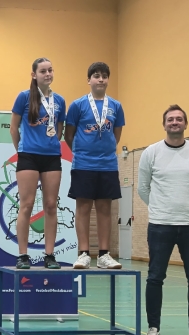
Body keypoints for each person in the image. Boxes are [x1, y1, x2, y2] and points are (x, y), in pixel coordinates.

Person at [137, 105, 189, 335]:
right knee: (155, 278)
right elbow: (143, 188)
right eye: (170, 119)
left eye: (179, 119)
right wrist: (162, 208)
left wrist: (188, 208)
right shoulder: (151, 152)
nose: (175, 122)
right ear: (164, 124)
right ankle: (153, 330)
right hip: (160, 225)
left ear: (186, 124)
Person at [64, 62, 124, 270]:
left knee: (105, 208)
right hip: (83, 163)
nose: (100, 79)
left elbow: (116, 135)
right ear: (89, 80)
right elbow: (68, 134)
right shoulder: (77, 105)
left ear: (108, 80)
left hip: (108, 164)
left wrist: (105, 151)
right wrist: (82, 152)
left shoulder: (115, 106)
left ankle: (104, 254)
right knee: (83, 207)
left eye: (104, 76)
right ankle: (83, 254)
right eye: (96, 76)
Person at [10, 57, 66, 269]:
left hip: (52, 156)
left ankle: (49, 255)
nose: (48, 74)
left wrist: (50, 143)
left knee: (51, 205)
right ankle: (23, 255)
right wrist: (22, 150)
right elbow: (14, 128)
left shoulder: (60, 100)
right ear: (34, 75)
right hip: (28, 156)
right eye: (43, 71)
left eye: (50, 70)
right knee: (26, 205)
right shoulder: (24, 97)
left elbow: (59, 128)